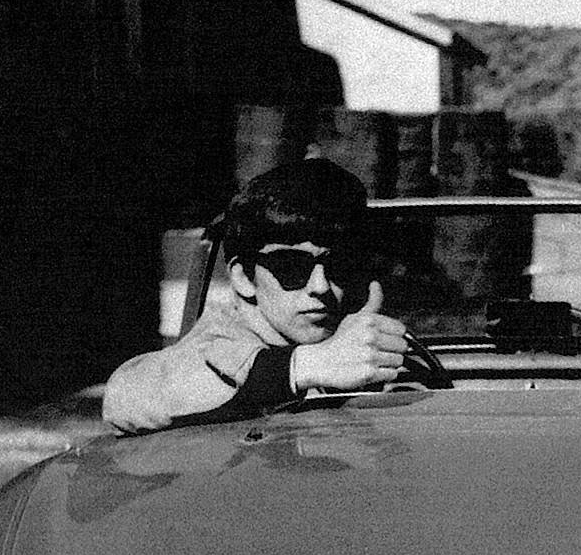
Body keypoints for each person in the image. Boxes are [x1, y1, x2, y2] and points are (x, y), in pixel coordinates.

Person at [103, 156, 410, 434]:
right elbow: (124, 397)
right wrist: (303, 367)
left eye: (338, 264)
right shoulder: (217, 343)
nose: (320, 285)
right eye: (290, 265)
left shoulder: (360, 346)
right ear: (244, 278)